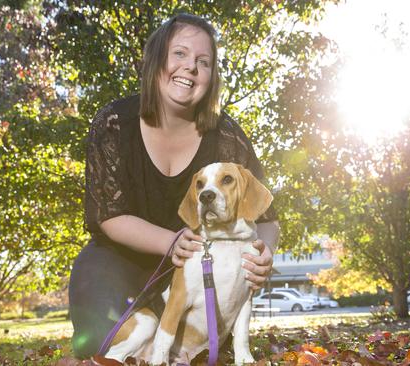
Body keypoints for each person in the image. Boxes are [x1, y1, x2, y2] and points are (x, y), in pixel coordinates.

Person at [68, 13, 280, 360]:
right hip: (116, 260)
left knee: (195, 354)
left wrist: (263, 253)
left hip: (196, 271)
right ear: (156, 61)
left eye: (203, 61)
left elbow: (267, 217)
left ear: (211, 77)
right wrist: (171, 241)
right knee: (102, 350)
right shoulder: (113, 122)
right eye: (179, 54)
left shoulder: (226, 136)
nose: (191, 68)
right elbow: (108, 214)